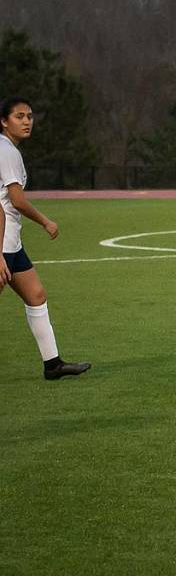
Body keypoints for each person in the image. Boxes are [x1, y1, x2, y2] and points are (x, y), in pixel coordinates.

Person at [0, 96, 90, 380]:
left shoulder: (8, 149)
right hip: (1, 242)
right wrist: (46, 222)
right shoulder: (6, 152)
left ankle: (53, 364)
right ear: (4, 122)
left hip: (11, 242)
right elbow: (15, 200)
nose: (27, 121)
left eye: (29, 116)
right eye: (19, 116)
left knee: (36, 295)